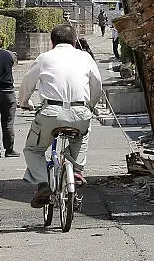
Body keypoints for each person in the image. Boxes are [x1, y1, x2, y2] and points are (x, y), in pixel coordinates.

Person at [19, 23, 102, 208]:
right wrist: (90, 106)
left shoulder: (44, 58)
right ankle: (77, 170)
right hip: (80, 112)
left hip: (51, 113)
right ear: (74, 42)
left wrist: (25, 102)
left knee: (33, 150)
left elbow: (27, 84)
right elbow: (97, 87)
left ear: (52, 42)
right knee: (83, 134)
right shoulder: (85, 57)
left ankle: (44, 183)